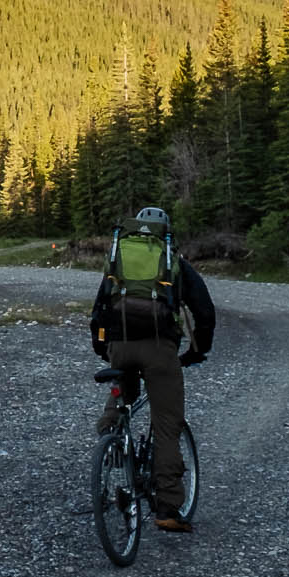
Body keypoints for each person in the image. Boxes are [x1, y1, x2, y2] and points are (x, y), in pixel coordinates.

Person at [87, 206, 216, 531]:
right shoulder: (173, 260)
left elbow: (100, 308)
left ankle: (110, 437)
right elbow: (204, 311)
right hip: (160, 349)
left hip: (120, 344)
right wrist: (197, 350)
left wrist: (103, 347)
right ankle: (168, 509)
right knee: (167, 424)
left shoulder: (119, 257)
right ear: (165, 233)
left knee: (123, 392)